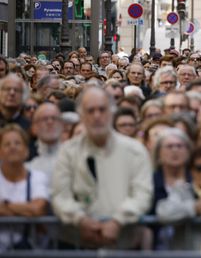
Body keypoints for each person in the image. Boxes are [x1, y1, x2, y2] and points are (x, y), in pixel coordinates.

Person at [51, 86, 153, 248]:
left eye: (102, 109)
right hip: (80, 245)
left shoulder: (135, 151)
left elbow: (142, 194)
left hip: (125, 244)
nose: (97, 116)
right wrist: (81, 219)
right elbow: (60, 196)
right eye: (90, 111)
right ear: (82, 116)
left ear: (112, 112)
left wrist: (118, 221)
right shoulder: (67, 152)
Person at [0, 124, 49, 250]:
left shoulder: (37, 177)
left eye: (17, 143)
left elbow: (37, 210)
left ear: (26, 151)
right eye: (7, 144)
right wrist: (25, 211)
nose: (13, 147)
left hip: (29, 249)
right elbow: (31, 211)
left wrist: (5, 206)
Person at [29, 103, 64, 178]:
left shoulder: (74, 156)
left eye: (54, 118)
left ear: (62, 125)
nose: (50, 122)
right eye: (44, 119)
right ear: (34, 127)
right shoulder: (26, 156)